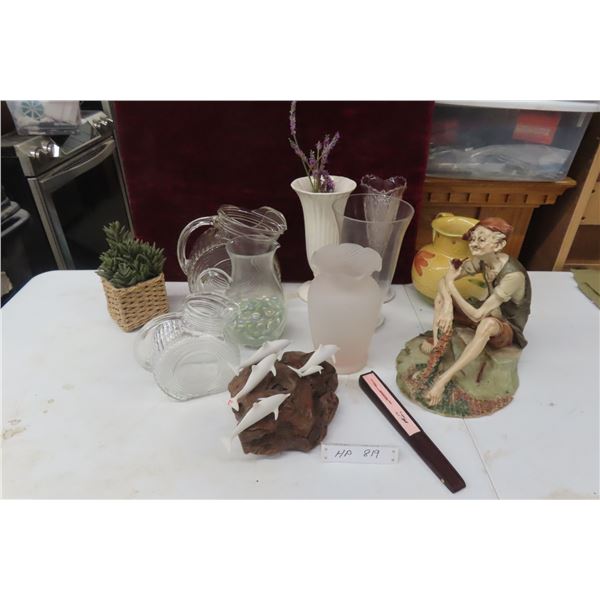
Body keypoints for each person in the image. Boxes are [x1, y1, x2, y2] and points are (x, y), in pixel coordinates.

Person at [422, 217, 531, 405]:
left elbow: (477, 315)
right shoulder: (482, 260)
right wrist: (448, 306)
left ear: (499, 245)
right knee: (441, 297)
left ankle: (444, 379)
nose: (473, 243)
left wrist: (451, 285)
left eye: (481, 239)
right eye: (473, 238)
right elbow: (443, 279)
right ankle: (438, 349)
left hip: (506, 325)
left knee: (486, 324)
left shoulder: (513, 275)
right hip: (488, 311)